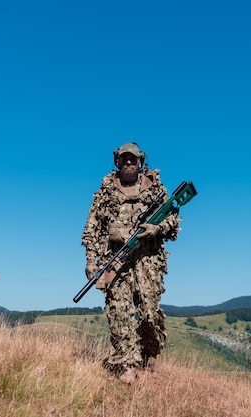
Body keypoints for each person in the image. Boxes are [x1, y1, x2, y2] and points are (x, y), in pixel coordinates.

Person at [81, 142, 180, 383]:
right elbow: (92, 229)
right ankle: (126, 365)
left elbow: (173, 220)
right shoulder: (105, 193)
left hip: (148, 263)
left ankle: (145, 355)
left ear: (140, 162)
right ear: (117, 162)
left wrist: (156, 229)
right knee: (119, 313)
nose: (128, 162)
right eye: (124, 159)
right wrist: (91, 260)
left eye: (133, 159)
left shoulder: (154, 190)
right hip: (115, 260)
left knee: (149, 315)